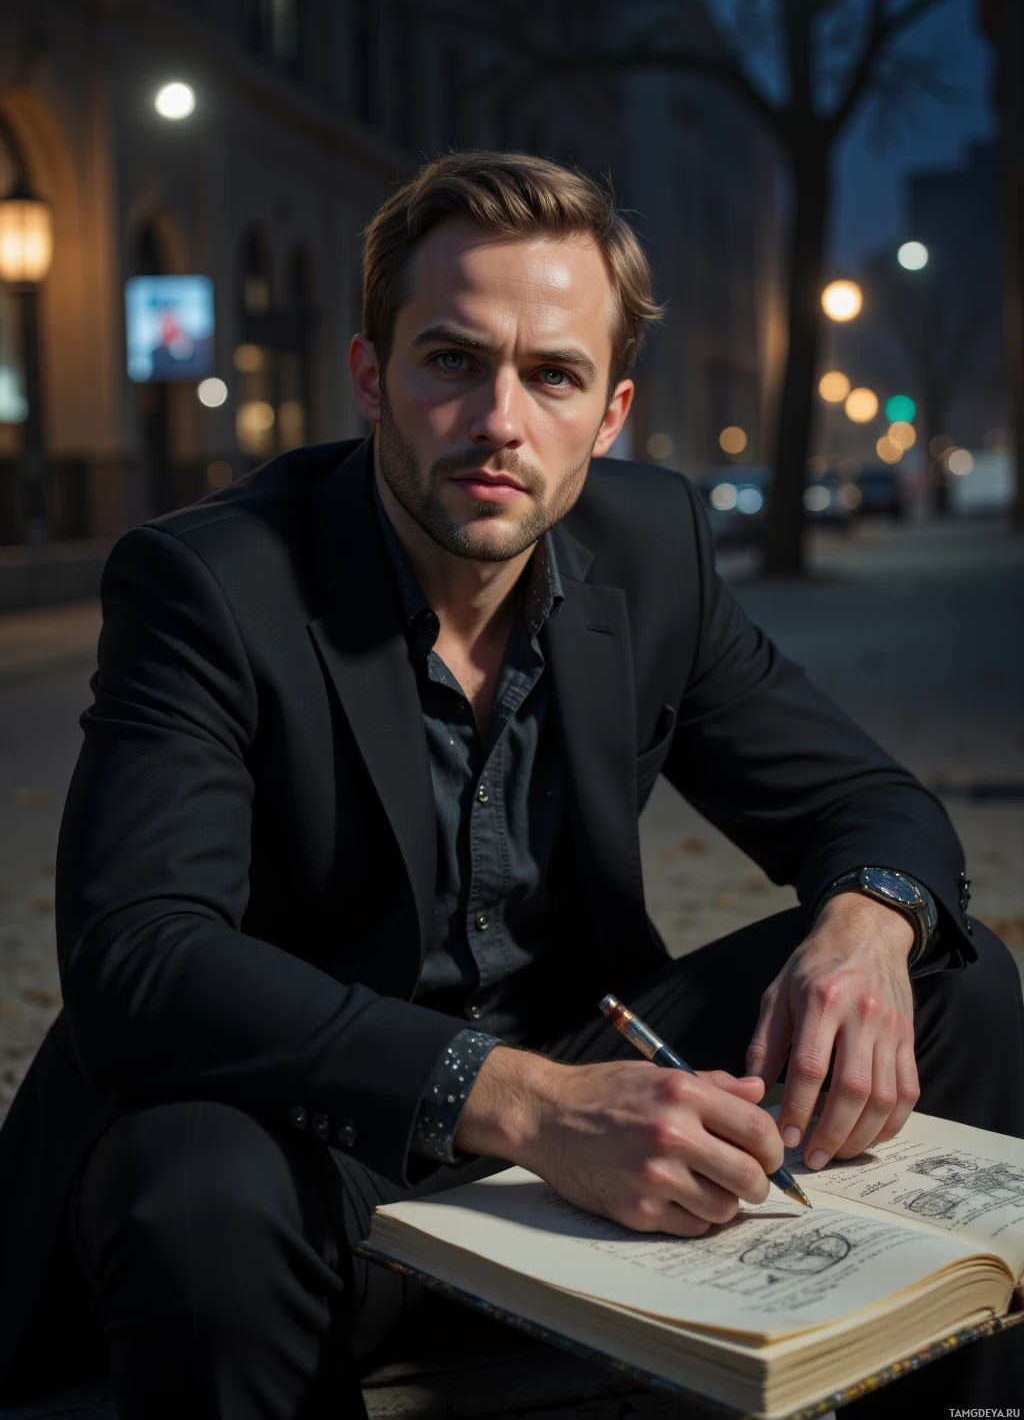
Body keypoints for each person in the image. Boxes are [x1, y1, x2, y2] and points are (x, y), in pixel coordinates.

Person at [0, 151, 1020, 1419]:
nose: (499, 419)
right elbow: (139, 958)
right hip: (309, 1132)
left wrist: (862, 929)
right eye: (450, 360)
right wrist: (526, 1101)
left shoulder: (649, 550)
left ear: (607, 414)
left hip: (575, 1077)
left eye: (552, 376)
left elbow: (864, 801)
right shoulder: (209, 585)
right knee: (192, 1191)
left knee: (945, 973)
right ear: (371, 378)